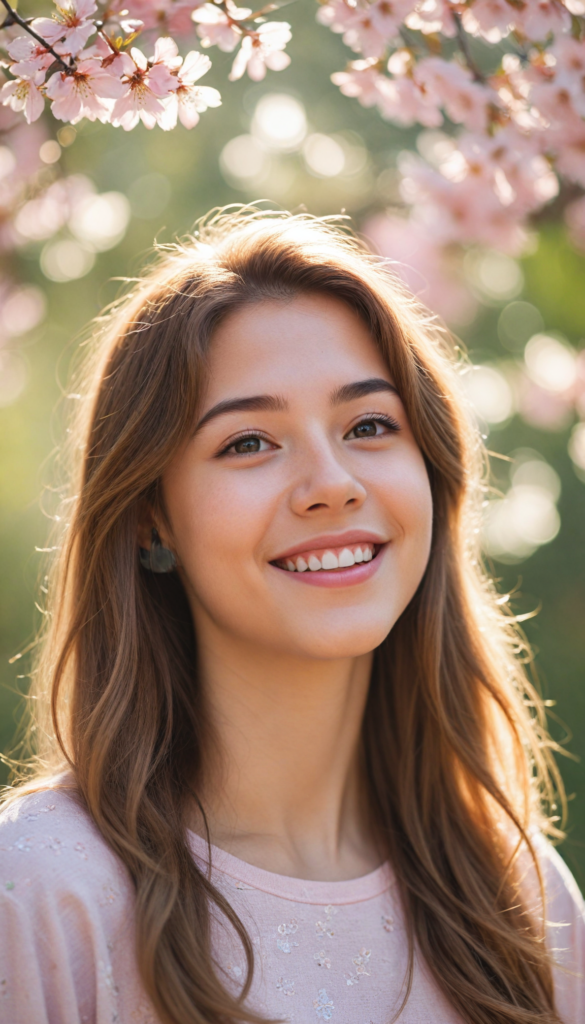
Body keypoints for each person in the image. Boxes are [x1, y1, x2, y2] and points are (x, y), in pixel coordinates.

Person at [0, 208, 583, 1024]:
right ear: (149, 518)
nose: (332, 483)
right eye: (248, 442)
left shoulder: (521, 892)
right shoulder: (45, 890)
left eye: (369, 425)